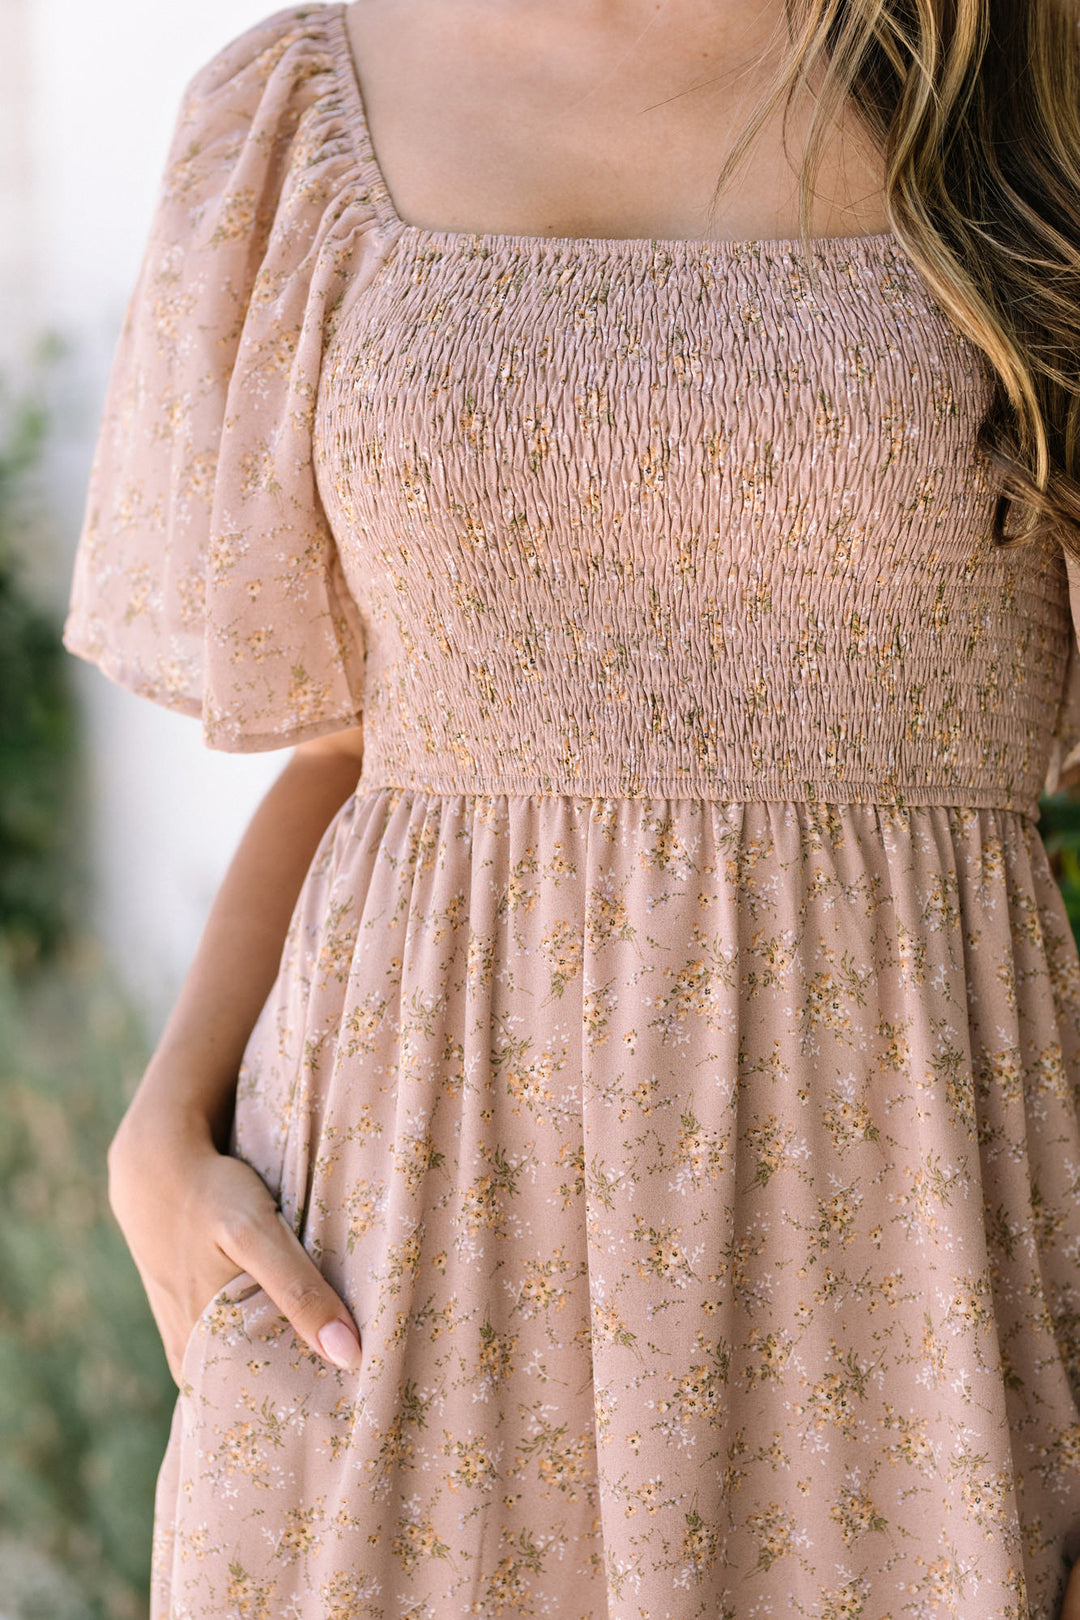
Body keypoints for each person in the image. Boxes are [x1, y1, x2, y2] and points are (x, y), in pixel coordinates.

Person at [61, 0, 1080, 1614]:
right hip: (396, 1266)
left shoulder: (1026, 80)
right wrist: (159, 1126)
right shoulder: (299, 110)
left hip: (903, 1267)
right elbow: (349, 751)